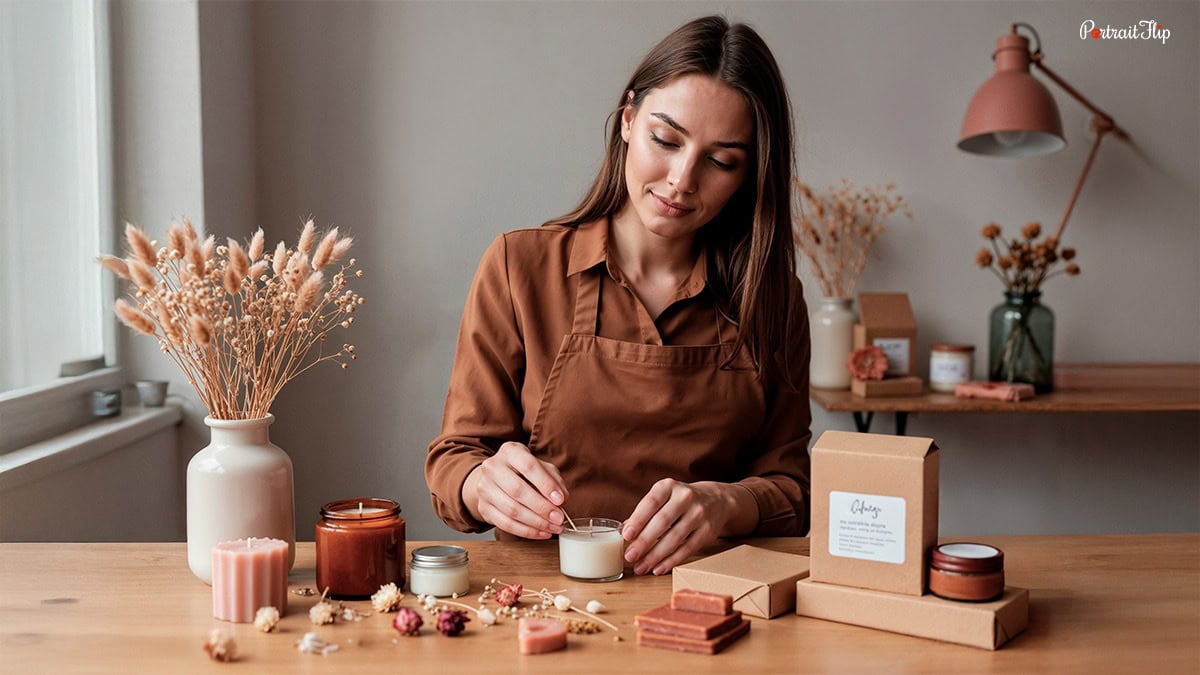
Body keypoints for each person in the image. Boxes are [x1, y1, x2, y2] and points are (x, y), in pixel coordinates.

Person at [425, 15, 811, 576]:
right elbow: (455, 457)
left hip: (710, 598)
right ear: (628, 120)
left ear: (749, 174)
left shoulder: (771, 299)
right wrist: (481, 486)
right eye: (665, 139)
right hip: (540, 597)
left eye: (721, 160)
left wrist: (728, 504)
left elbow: (793, 490)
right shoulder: (519, 265)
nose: (682, 178)